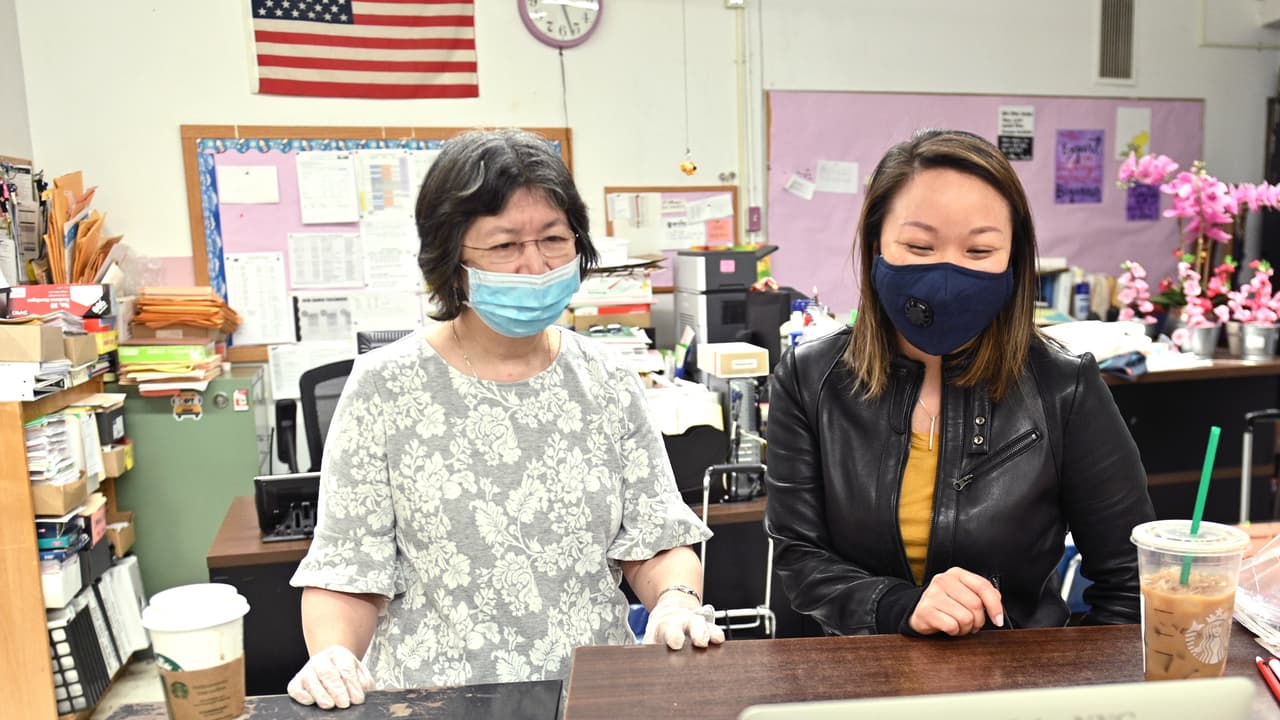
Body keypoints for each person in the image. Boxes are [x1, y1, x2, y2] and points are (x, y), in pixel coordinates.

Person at [287, 128, 724, 710]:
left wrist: (674, 602)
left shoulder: (608, 380)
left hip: (591, 696)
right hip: (437, 701)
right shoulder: (384, 387)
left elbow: (656, 540)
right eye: (504, 245)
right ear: (451, 257)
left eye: (554, 239)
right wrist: (332, 656)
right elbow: (347, 570)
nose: (534, 266)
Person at [764, 129, 1155, 638]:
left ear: (1013, 258)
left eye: (979, 250)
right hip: (860, 672)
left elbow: (1128, 583)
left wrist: (1070, 678)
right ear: (876, 244)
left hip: (1015, 675)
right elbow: (800, 558)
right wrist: (899, 607)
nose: (947, 274)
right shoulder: (810, 378)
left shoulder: (1064, 386)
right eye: (919, 246)